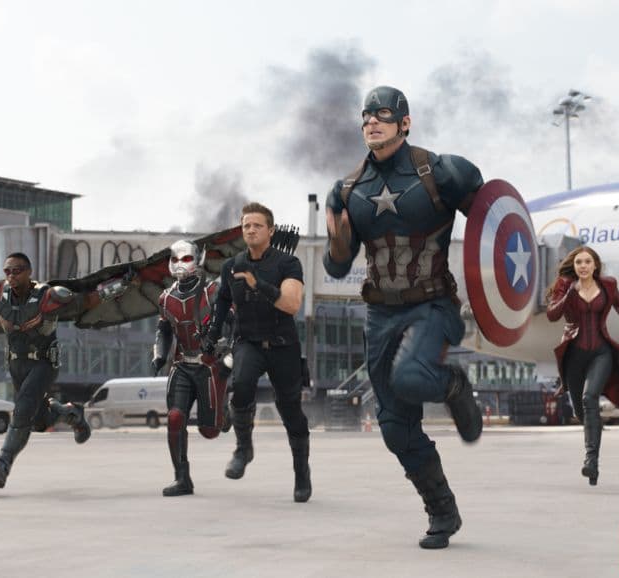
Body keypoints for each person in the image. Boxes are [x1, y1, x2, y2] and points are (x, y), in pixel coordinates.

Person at [322, 85, 484, 549]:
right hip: (380, 315)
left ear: (405, 123)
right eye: (365, 115)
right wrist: (338, 244)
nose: (371, 121)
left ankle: (453, 385)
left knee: (412, 377)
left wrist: (500, 293)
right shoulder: (347, 190)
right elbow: (337, 266)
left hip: (433, 305)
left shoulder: (444, 172)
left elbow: (494, 226)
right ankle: (442, 511)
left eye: (382, 113)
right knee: (394, 427)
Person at [0, 252, 110, 489]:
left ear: (29, 272)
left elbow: (87, 301)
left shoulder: (49, 297)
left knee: (21, 411)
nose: (11, 275)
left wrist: (118, 287)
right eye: (7, 271)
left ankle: (2, 464)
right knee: (38, 421)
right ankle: (71, 413)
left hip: (44, 363)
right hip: (16, 365)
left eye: (17, 271)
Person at [204, 202, 312, 503]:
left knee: (291, 411)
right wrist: (212, 335)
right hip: (248, 342)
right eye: (246, 226)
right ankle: (243, 449)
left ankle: (302, 473)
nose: (250, 230)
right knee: (240, 387)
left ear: (271, 230)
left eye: (257, 225)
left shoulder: (288, 263)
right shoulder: (232, 266)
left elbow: (291, 304)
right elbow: (222, 302)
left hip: (282, 344)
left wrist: (257, 283)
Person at [545, 246, 619, 486]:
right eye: (579, 262)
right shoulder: (565, 286)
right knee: (581, 411)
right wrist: (568, 295)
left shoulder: (607, 285)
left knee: (590, 398)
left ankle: (591, 461)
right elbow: (552, 315)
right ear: (574, 266)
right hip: (574, 355)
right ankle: (592, 441)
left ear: (595, 265)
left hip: (601, 352)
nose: (583, 266)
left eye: (587, 262)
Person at [151, 239, 229, 497]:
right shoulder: (166, 298)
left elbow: (232, 322)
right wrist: (159, 355)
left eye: (186, 259)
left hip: (208, 365)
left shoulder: (212, 291)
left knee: (210, 431)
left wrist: (226, 349)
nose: (180, 265)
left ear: (198, 259)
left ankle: (224, 409)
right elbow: (163, 331)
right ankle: (182, 478)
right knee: (175, 418)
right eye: (175, 259)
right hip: (182, 365)